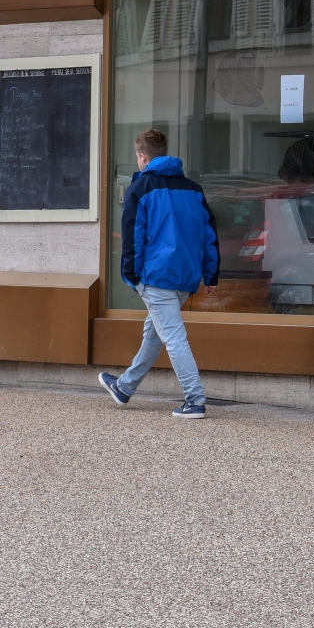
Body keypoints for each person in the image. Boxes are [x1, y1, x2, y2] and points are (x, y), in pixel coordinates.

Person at [99, 128, 219, 419]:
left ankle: (195, 400)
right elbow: (208, 234)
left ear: (142, 157)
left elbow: (132, 236)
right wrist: (210, 274)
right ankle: (124, 388)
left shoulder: (141, 188)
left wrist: (132, 275)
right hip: (185, 277)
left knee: (173, 337)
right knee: (154, 333)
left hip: (156, 277)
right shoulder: (193, 189)